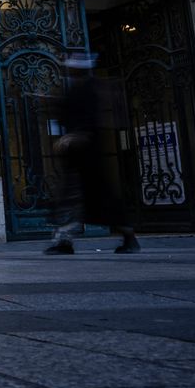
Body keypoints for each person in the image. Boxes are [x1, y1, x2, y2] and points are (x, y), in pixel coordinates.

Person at [45, 53, 141, 255]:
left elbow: (90, 120)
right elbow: (66, 116)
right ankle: (64, 241)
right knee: (70, 201)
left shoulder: (90, 89)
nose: (67, 72)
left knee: (98, 200)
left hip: (88, 155)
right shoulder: (76, 88)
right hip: (76, 156)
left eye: (71, 69)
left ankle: (129, 236)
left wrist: (75, 135)